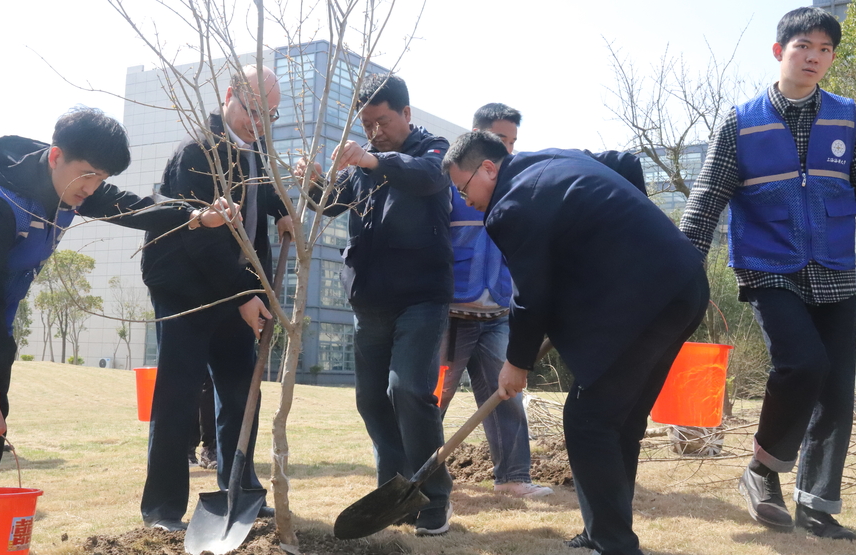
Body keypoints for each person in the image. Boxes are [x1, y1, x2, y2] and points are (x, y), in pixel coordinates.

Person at [0, 107, 222, 530]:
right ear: (56, 156)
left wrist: (192, 215)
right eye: (88, 175)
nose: (92, 187)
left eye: (101, 178)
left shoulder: (73, 182)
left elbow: (128, 206)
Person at [444, 131, 708, 555]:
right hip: (683, 284)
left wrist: (517, 362)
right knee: (619, 420)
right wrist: (632, 241)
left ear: (488, 168)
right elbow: (625, 162)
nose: (464, 199)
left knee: (588, 420)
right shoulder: (554, 159)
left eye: (463, 188)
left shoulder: (510, 206)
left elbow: (530, 294)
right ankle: (604, 531)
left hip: (646, 301)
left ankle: (613, 543)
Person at [680, 7, 856, 540]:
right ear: (779, 51)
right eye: (803, 46)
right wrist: (682, 265)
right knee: (802, 364)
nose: (814, 57)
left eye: (825, 49)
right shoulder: (741, 122)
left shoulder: (849, 118)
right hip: (768, 266)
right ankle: (762, 470)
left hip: (833, 266)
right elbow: (706, 198)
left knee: (836, 389)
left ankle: (817, 506)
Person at [294, 73, 454, 536]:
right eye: (366, 124)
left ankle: (435, 497)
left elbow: (427, 178)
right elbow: (328, 204)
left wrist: (372, 159)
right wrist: (313, 182)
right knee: (370, 399)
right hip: (371, 300)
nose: (374, 131)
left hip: (422, 298)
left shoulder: (433, 150)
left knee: (408, 390)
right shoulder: (363, 163)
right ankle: (395, 493)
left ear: (406, 113)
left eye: (382, 121)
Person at [140, 65, 293, 531]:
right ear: (229, 95)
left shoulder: (254, 151)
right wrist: (244, 294)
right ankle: (163, 509)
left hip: (235, 288)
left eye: (269, 115)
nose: (259, 123)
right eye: (253, 110)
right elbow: (202, 238)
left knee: (241, 392)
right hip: (187, 292)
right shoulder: (197, 152)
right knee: (179, 394)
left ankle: (239, 489)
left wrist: (283, 212)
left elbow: (261, 196)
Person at [439, 103, 552, 500]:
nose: (509, 151)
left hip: (498, 314)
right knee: (431, 398)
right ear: (478, 136)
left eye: (513, 142)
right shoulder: (451, 185)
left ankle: (513, 478)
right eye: (502, 140)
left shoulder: (518, 189)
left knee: (506, 396)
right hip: (451, 317)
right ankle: (415, 475)